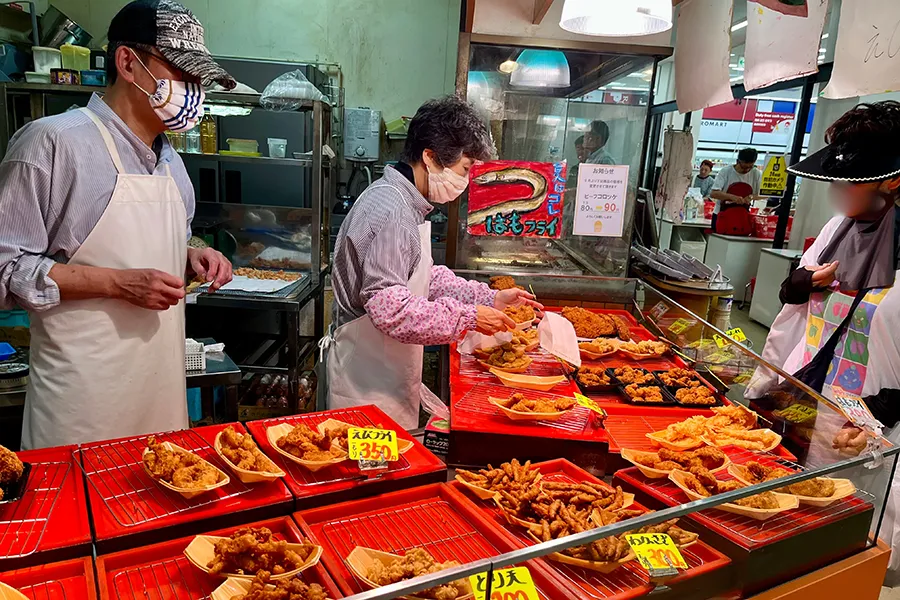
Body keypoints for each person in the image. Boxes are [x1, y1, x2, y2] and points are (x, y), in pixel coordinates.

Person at [0, 0, 235, 449]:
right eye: (181, 74)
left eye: (198, 80)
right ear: (127, 63)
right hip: (82, 406)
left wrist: (189, 256)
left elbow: (161, 241)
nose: (193, 91)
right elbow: (5, 270)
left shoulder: (172, 164)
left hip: (161, 396)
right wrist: (116, 284)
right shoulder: (52, 145)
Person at [746, 101, 900, 585]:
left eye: (847, 181)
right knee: (788, 523)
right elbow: (794, 292)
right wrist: (801, 283)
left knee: (850, 543)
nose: (834, 190)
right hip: (808, 400)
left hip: (869, 422)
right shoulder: (839, 228)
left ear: (892, 181)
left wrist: (880, 410)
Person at [325, 97, 541, 429]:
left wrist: (488, 298)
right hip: (367, 384)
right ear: (430, 157)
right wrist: (469, 317)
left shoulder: (404, 201)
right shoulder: (392, 210)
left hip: (383, 372)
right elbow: (391, 310)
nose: (465, 180)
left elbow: (423, 276)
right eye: (465, 168)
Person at [710, 147, 761, 234]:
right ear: (738, 161)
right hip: (722, 215)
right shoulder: (726, 171)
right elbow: (713, 193)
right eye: (744, 167)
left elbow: (765, 194)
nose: (747, 170)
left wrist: (751, 197)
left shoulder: (756, 173)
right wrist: (732, 197)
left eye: (750, 167)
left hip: (742, 216)